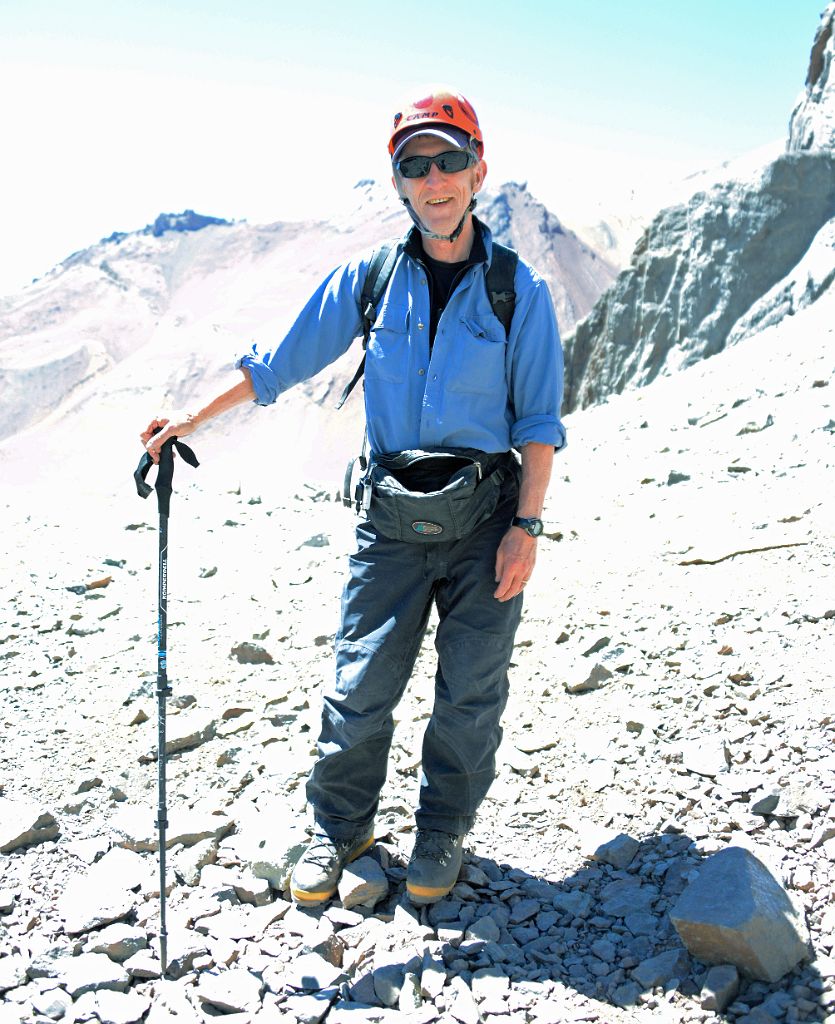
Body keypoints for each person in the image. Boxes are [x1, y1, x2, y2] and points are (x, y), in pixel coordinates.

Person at [140, 87, 566, 907]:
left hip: (486, 527)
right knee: (358, 684)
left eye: (448, 160)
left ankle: (442, 828)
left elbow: (539, 422)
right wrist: (186, 418)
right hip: (390, 527)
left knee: (470, 692)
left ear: (479, 169)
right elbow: (276, 364)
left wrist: (527, 528)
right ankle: (341, 829)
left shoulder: (521, 292)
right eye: (415, 166)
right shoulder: (369, 279)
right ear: (398, 182)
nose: (434, 179)